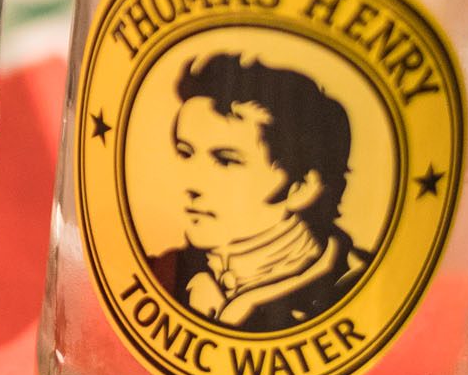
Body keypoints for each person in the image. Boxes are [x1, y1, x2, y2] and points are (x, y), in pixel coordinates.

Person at [146, 51, 370, 330]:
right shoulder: (158, 273)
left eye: (226, 161)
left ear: (302, 187)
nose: (190, 183)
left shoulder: (354, 287)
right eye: (185, 153)